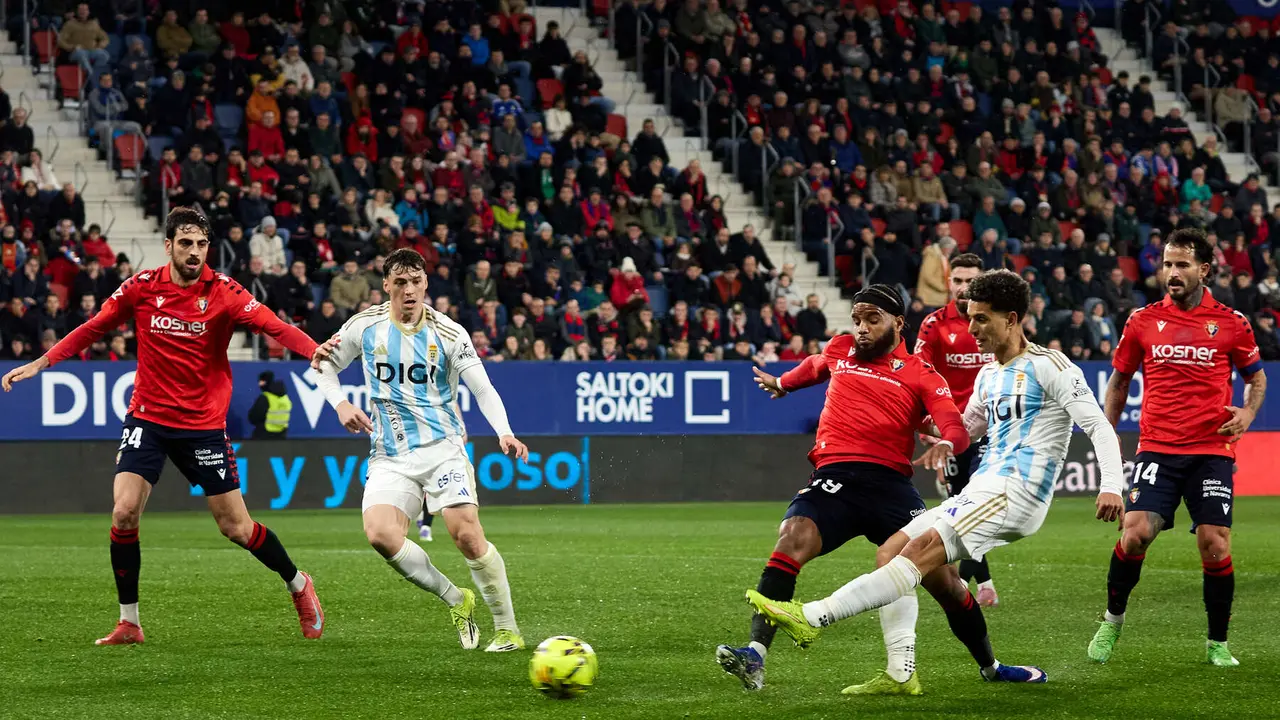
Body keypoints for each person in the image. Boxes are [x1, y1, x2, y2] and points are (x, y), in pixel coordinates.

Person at [751, 270, 1126, 686]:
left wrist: (1112, 484)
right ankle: (899, 674)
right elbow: (968, 429)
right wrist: (942, 437)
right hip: (986, 486)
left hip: (1017, 492)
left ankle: (811, 616)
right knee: (893, 550)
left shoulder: (1050, 366)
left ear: (1012, 318)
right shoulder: (988, 375)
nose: (971, 329)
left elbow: (1097, 425)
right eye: (969, 317)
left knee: (920, 553)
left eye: (981, 319)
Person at [1, 207, 327, 645]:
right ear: (169, 245)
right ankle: (129, 622)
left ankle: (298, 584)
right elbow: (94, 328)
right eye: (186, 243)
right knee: (123, 511)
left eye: (202, 244)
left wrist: (314, 351)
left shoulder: (226, 292)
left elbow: (275, 326)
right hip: (148, 419)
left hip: (202, 425)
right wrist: (43, 361)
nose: (195, 252)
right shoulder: (141, 288)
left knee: (236, 528)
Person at [716, 285, 971, 694]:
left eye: (873, 319)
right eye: (856, 320)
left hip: (890, 486)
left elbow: (953, 423)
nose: (861, 329)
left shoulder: (921, 373)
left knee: (945, 581)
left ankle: (990, 664)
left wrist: (947, 440)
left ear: (898, 323)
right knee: (792, 536)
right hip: (836, 480)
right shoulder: (841, 350)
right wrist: (783, 382)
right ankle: (754, 655)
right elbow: (816, 365)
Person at [311, 248, 529, 653]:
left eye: (416, 282)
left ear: (426, 284)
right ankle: (455, 597)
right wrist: (341, 404)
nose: (409, 291)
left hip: (443, 447)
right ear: (387, 286)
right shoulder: (365, 326)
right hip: (390, 453)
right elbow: (321, 362)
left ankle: (507, 628)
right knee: (380, 535)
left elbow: (482, 388)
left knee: (464, 533)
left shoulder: (449, 333)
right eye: (400, 283)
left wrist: (504, 431)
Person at [1087, 229, 1266, 668]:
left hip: (1212, 450)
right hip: (1157, 450)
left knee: (1215, 544)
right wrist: (1107, 434)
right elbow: (1119, 380)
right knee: (1134, 536)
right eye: (1167, 264)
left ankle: (1218, 642)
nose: (1172, 272)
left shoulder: (1231, 322)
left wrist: (1246, 414)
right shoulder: (1141, 321)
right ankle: (1112, 621)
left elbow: (1256, 378)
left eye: (1182, 264)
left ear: (1204, 269)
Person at [912, 253, 1000, 606]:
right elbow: (917, 377)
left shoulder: (995, 320)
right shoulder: (934, 326)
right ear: (948, 282)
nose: (964, 288)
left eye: (970, 281)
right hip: (953, 432)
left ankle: (971, 581)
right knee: (965, 507)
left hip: (994, 428)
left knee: (980, 504)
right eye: (958, 280)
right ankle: (979, 582)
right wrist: (927, 427)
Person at [247, 371, 292, 440]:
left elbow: (253, 417)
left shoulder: (265, 397)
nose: (259, 383)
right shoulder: (285, 398)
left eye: (261, 381)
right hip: (282, 435)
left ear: (265, 382)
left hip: (264, 435)